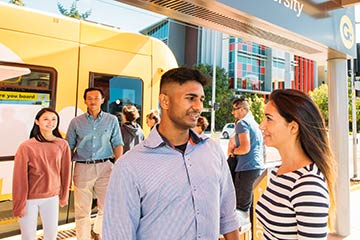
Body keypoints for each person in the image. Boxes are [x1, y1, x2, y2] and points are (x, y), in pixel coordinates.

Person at [103, 67, 241, 239]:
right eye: (190, 98)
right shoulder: (129, 165)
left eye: (201, 99)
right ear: (165, 101)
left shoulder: (212, 151)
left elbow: (227, 217)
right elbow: (118, 234)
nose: (198, 107)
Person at [256, 89, 335, 239]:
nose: (261, 125)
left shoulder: (309, 186)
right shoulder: (277, 172)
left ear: (293, 127)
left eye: (269, 118)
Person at [66, 87, 123, 240]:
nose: (93, 101)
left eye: (96, 98)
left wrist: (118, 166)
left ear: (102, 100)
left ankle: (98, 231)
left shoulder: (111, 120)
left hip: (106, 167)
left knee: (107, 206)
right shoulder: (76, 122)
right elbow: (68, 147)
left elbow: (117, 143)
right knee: (82, 210)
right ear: (85, 100)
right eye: (89, 98)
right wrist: (66, 174)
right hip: (82, 167)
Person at [12, 108, 71, 240]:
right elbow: (19, 178)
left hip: (52, 197)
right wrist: (19, 205)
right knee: (28, 236)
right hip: (29, 199)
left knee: (51, 236)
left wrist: (64, 196)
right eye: (46, 119)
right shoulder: (26, 146)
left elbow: (66, 172)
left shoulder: (62, 144)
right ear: (37, 122)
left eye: (54, 119)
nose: (50, 122)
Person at [227, 97, 264, 225]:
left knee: (240, 209)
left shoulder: (242, 123)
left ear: (243, 109)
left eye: (235, 109)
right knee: (253, 206)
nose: (233, 112)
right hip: (256, 168)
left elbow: (245, 148)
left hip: (245, 168)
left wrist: (232, 151)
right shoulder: (255, 123)